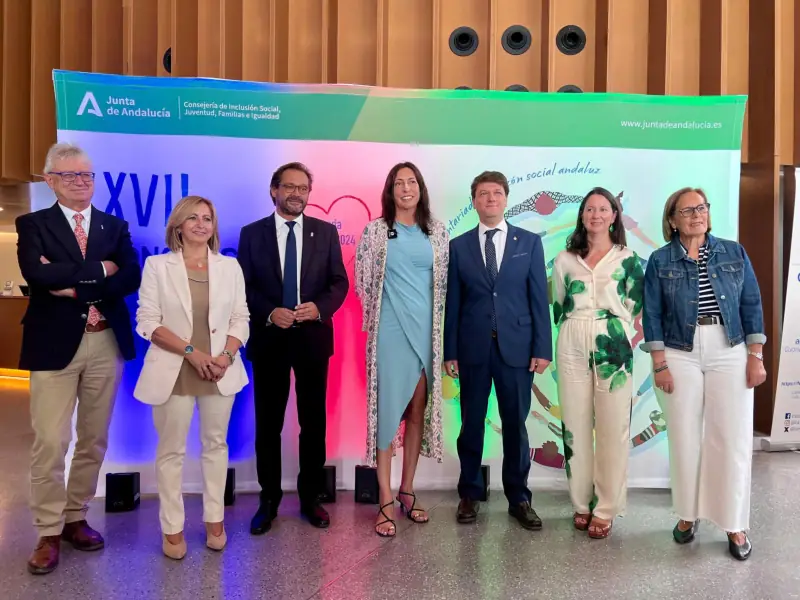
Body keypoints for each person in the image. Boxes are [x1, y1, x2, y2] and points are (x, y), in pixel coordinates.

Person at [15, 143, 141, 575]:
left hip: (105, 342)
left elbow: (130, 275)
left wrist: (72, 283)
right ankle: (48, 530)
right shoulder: (33, 224)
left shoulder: (113, 225)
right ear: (51, 181)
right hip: (52, 344)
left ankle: (75, 517)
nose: (80, 182)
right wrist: (101, 270)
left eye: (86, 175)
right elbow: (37, 274)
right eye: (69, 175)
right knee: (51, 441)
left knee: (93, 437)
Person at [642, 187, 767, 561]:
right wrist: (659, 364)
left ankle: (734, 522)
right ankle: (687, 514)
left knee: (731, 437)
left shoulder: (733, 252)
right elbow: (652, 313)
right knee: (685, 437)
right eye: (687, 210)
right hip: (679, 351)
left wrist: (756, 355)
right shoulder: (659, 259)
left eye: (702, 208)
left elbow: (751, 303)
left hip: (729, 346)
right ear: (672, 220)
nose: (697, 215)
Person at [134, 195, 250, 559]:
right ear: (178, 226)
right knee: (171, 451)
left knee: (216, 446)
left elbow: (241, 318)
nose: (201, 224)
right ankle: (172, 527)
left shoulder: (230, 267)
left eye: (207, 218)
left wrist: (225, 357)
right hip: (174, 371)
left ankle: (215, 519)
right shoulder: (157, 266)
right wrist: (192, 354)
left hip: (220, 370)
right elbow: (147, 322)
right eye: (193, 218)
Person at [238, 162, 349, 534]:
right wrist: (270, 312)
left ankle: (310, 497)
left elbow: (339, 282)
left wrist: (319, 308)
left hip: (312, 339)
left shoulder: (325, 232)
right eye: (289, 187)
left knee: (313, 423)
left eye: (303, 188)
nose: (296, 194)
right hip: (270, 338)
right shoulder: (252, 234)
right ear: (274, 190)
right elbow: (243, 286)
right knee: (268, 424)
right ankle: (268, 499)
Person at [443, 170, 552, 530]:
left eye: (496, 193)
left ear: (506, 199)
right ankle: (469, 493)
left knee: (515, 426)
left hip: (517, 350)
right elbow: (453, 303)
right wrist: (449, 351)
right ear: (473, 201)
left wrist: (542, 348)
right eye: (483, 194)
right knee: (471, 424)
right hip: (472, 349)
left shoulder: (529, 242)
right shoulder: (458, 246)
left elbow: (539, 299)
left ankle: (519, 498)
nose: (490, 199)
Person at [355, 162, 449, 537]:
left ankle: (407, 490)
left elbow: (443, 285)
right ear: (390, 191)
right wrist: (381, 317)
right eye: (399, 183)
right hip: (390, 334)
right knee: (386, 414)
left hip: (427, 334)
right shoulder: (376, 231)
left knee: (416, 411)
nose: (406, 188)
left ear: (421, 188)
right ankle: (384, 498)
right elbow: (363, 282)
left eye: (412, 182)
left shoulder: (437, 232)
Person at [551, 187, 644, 539]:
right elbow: (559, 303)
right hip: (572, 338)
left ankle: (606, 507)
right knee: (574, 424)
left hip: (613, 341)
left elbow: (635, 304)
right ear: (582, 215)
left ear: (614, 216)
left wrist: (614, 325)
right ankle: (580, 502)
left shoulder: (628, 258)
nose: (596, 215)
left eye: (603, 209)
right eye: (590, 209)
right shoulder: (565, 259)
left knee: (613, 425)